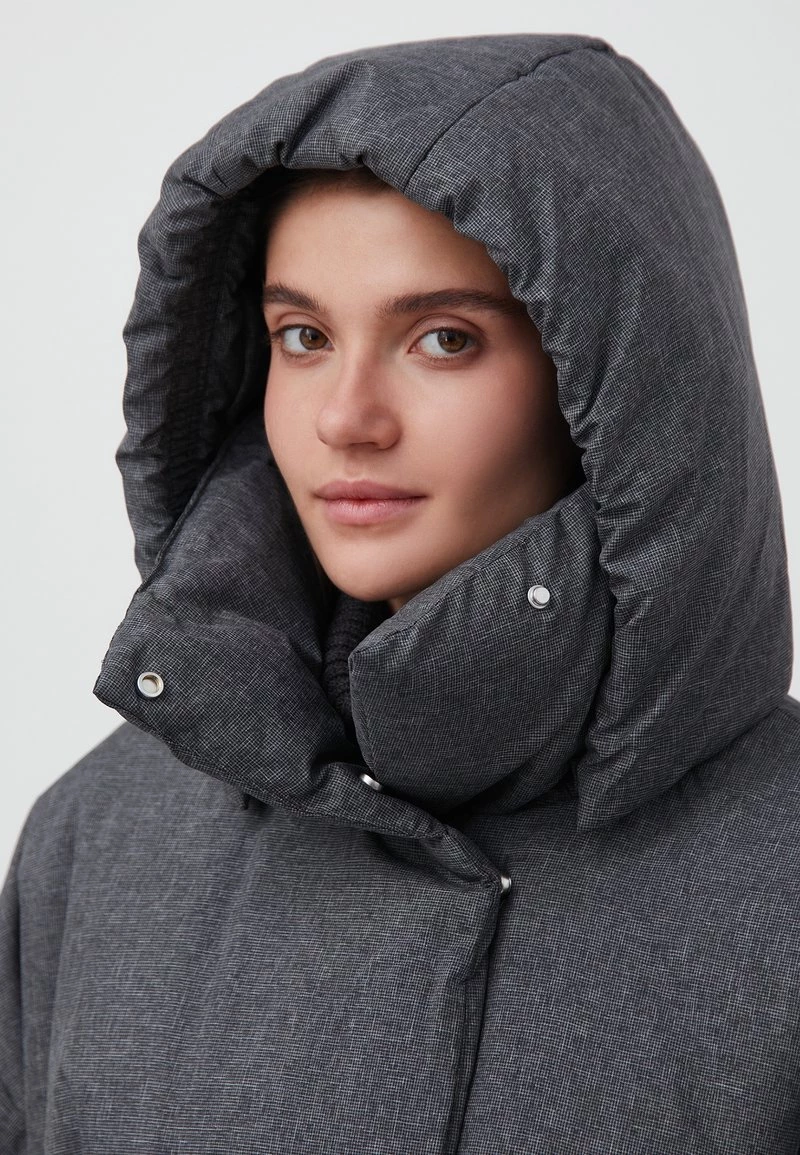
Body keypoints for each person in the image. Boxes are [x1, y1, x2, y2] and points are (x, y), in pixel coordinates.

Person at [1, 30, 798, 1154]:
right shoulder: (98, 840)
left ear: (608, 382)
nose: (346, 417)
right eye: (303, 336)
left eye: (443, 339)